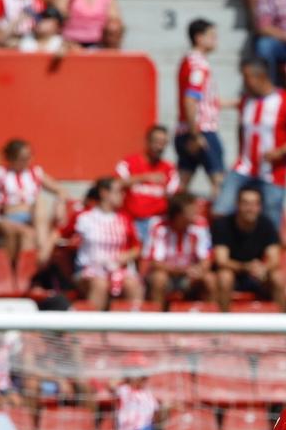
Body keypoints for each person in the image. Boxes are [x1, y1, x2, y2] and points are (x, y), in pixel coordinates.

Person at [219, 59, 286, 226]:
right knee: (221, 209)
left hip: (273, 171)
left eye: (246, 78)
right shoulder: (247, 101)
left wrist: (282, 151)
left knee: (270, 220)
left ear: (259, 77)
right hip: (244, 167)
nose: (244, 83)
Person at [62, 178, 145, 310]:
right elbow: (61, 236)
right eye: (118, 192)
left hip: (117, 269)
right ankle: (91, 328)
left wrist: (126, 255)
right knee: (100, 284)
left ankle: (133, 327)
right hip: (88, 270)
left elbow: (137, 248)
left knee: (133, 285)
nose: (123, 195)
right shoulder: (84, 217)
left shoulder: (125, 218)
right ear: (104, 193)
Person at [212, 186, 286, 311]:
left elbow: (274, 258)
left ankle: (284, 326)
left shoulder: (267, 224)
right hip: (234, 273)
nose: (250, 209)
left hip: (257, 275)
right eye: (245, 203)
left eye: (254, 204)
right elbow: (221, 261)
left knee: (278, 277)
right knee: (225, 277)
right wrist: (245, 267)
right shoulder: (223, 225)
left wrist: (263, 268)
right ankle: (223, 326)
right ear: (237, 205)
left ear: (260, 207)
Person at [0, 139, 65, 263]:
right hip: (11, 216)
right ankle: (41, 250)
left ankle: (41, 246)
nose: (28, 161)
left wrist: (60, 204)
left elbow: (60, 190)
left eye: (29, 157)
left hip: (33, 218)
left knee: (39, 202)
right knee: (30, 234)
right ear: (12, 158)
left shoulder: (35, 172)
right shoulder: (1, 173)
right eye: (23, 158)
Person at [177, 19, 227, 193]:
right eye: (211, 36)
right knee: (219, 183)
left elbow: (205, 100)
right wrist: (195, 134)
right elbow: (190, 99)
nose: (215, 40)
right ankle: (218, 220)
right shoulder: (199, 65)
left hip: (185, 129)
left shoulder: (187, 61)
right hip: (202, 130)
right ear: (199, 38)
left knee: (182, 182)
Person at [143, 192, 215, 306]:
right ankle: (156, 320)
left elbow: (206, 258)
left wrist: (199, 270)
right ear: (178, 214)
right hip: (167, 275)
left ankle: (211, 320)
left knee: (209, 279)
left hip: (190, 276)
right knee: (159, 278)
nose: (196, 213)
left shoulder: (200, 224)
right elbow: (155, 262)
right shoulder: (159, 226)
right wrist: (182, 270)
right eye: (191, 210)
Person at [116, 125, 179, 247]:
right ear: (148, 141)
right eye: (156, 142)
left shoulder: (169, 169)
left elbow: (173, 196)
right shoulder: (129, 163)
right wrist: (144, 177)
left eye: (163, 143)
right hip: (129, 220)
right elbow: (115, 184)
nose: (159, 147)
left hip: (156, 223)